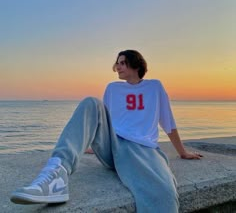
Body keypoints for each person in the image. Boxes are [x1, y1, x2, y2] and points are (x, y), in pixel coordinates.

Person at [10, 50, 202, 212]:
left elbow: (168, 122)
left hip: (141, 150)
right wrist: (93, 144)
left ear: (136, 65)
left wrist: (182, 152)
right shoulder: (112, 88)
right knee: (91, 103)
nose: (117, 67)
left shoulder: (154, 87)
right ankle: (56, 175)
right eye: (117, 63)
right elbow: (103, 121)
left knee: (163, 192)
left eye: (123, 63)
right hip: (113, 146)